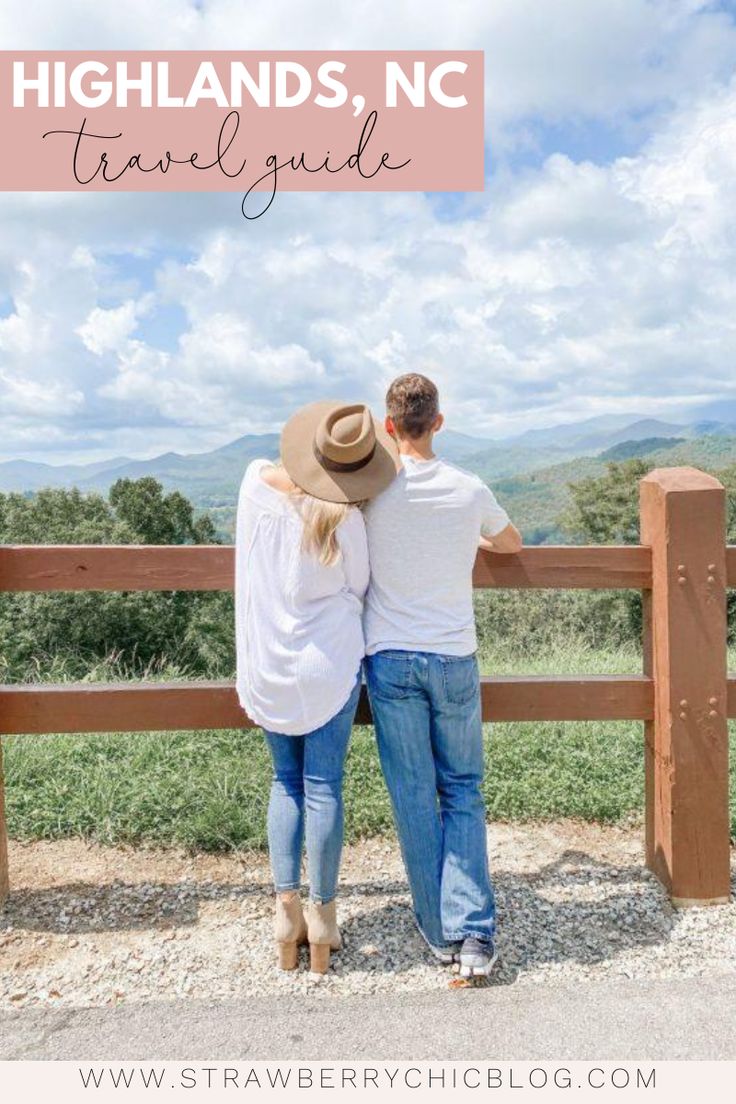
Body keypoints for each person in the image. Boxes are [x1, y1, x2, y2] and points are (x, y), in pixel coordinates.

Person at [363, 373, 522, 978]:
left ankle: (437, 930)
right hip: (454, 655)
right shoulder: (467, 488)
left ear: (388, 426)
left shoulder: (371, 493)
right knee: (462, 790)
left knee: (413, 796)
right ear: (439, 422)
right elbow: (510, 543)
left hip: (391, 658)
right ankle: (475, 933)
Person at [235, 400, 399, 973]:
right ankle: (324, 917)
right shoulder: (348, 521)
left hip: (271, 664)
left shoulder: (254, 493)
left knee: (286, 782)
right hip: (327, 664)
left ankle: (286, 912)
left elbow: (262, 468)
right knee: (324, 785)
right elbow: (357, 590)